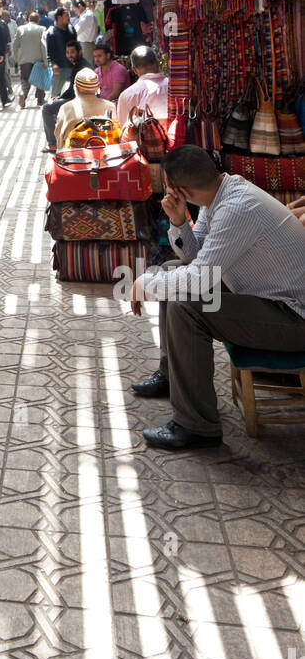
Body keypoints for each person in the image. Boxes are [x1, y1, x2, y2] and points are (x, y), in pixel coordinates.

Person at [131, 146, 305, 451]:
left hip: (294, 317)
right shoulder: (222, 191)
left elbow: (199, 278)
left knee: (186, 304)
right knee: (172, 272)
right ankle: (172, 373)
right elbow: (197, 259)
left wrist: (143, 283)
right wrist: (178, 222)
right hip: (267, 296)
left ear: (180, 189)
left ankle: (197, 427)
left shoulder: (238, 208)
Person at [41, 40, 90, 150]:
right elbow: (72, 88)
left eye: (72, 52)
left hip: (78, 101)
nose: (69, 55)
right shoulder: (79, 64)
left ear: (80, 52)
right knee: (54, 106)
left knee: (46, 109)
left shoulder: (81, 66)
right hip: (77, 98)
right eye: (67, 52)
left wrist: (60, 98)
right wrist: (59, 97)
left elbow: (73, 91)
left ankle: (52, 144)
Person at [54, 67, 115, 148]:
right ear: (97, 87)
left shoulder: (66, 108)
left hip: (75, 157)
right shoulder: (110, 106)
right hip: (104, 155)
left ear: (76, 88)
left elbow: (59, 136)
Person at [116, 45, 169, 125]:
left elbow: (123, 127)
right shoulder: (174, 86)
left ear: (134, 70)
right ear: (158, 63)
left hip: (144, 136)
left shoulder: (127, 95)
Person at [13, 10, 47, 108]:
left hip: (24, 60)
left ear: (29, 19)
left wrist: (17, 59)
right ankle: (40, 100)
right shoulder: (42, 29)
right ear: (38, 20)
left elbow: (15, 45)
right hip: (38, 59)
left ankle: (24, 95)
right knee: (40, 80)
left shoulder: (20, 29)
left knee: (25, 80)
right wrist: (45, 60)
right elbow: (43, 46)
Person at [45, 7, 77, 98]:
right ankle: (54, 110)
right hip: (59, 68)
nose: (69, 18)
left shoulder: (72, 30)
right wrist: (53, 64)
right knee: (56, 94)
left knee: (74, 92)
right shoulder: (52, 32)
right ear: (59, 18)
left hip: (72, 67)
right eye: (66, 15)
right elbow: (50, 51)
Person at [93, 37, 131, 103]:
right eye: (95, 56)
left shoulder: (118, 70)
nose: (96, 59)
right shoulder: (97, 71)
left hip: (119, 104)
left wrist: (101, 105)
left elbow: (116, 94)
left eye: (99, 56)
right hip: (104, 104)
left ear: (108, 56)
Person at [73, 0, 100, 65]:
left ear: (80, 6)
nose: (76, 12)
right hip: (87, 44)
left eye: (75, 10)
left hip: (86, 45)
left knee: (87, 66)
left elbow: (76, 30)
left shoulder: (86, 16)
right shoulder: (89, 14)